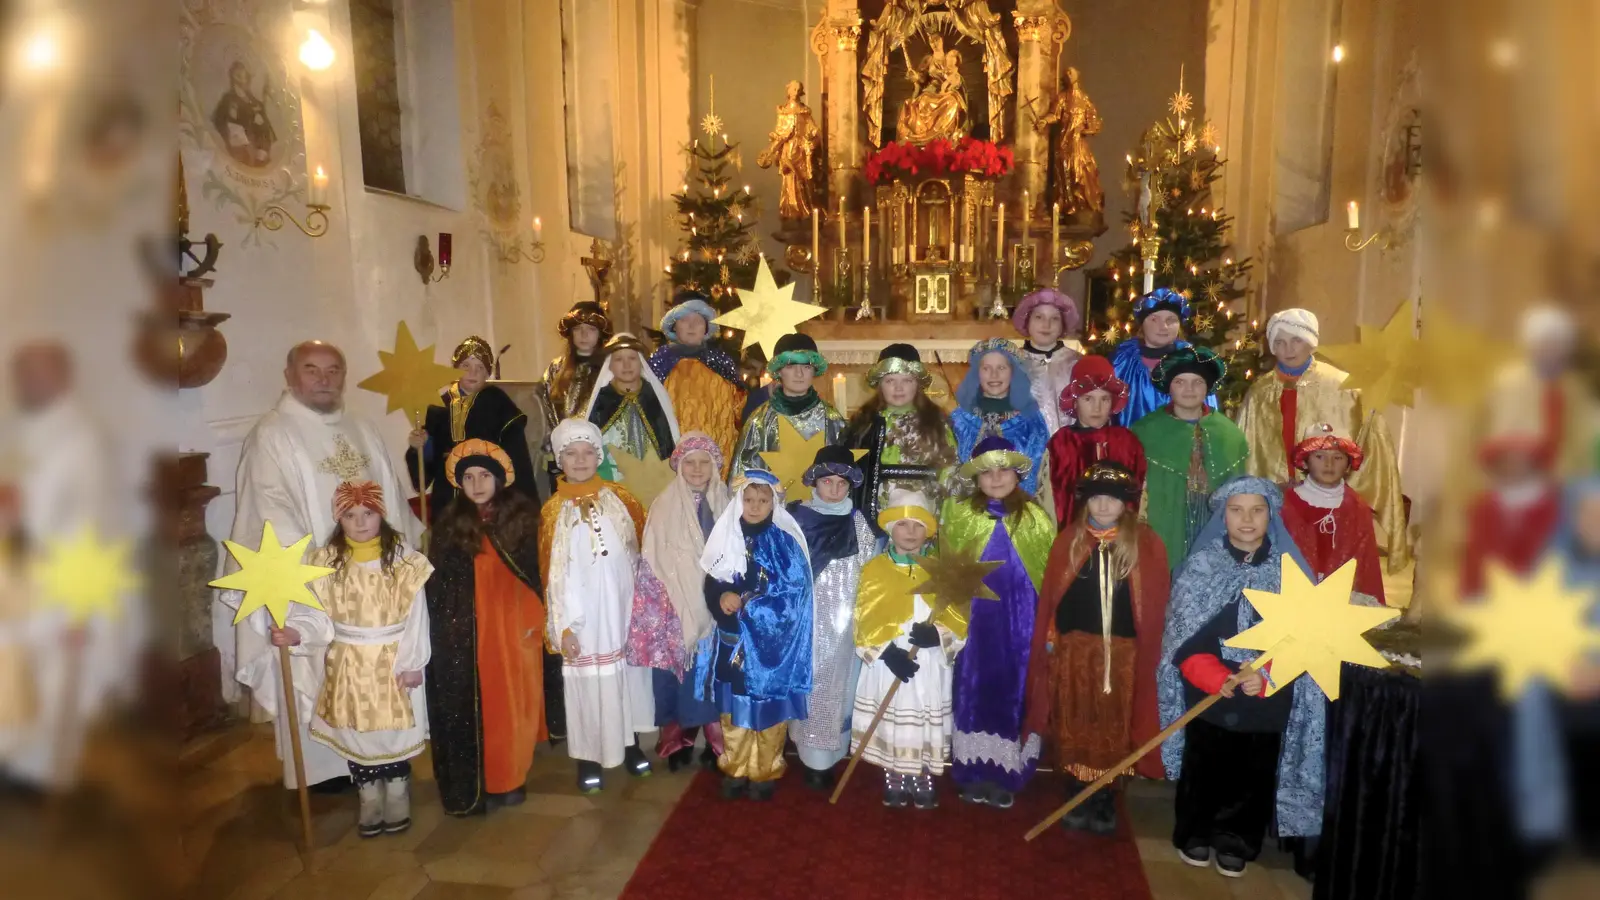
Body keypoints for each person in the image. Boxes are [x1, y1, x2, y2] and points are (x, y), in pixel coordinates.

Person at [219, 340, 421, 791]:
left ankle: (384, 759)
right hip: (321, 583)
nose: (324, 379)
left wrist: (396, 563)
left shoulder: (363, 427)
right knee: (320, 671)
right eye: (312, 370)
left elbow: (391, 500)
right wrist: (321, 573)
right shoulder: (273, 434)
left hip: (377, 584)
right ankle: (326, 771)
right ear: (290, 377)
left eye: (333, 370)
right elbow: (269, 510)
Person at [1158, 477, 1325, 879]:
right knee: (1204, 768)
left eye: (1257, 510)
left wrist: (1267, 676)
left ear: (1271, 515)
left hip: (1267, 695)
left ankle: (1236, 839)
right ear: (1223, 515)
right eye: (1236, 510)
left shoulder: (1291, 574)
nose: (1247, 519)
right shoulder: (1203, 567)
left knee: (1253, 773)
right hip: (1210, 690)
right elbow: (1181, 635)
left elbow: (1308, 639)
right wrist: (1213, 674)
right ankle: (1195, 831)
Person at [2, 341, 134, 793]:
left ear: (63, 377)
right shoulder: (19, 431)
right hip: (13, 583)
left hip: (60, 588)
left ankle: (40, 779)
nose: (29, 382)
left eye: (39, 373)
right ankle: (13, 761)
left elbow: (95, 524)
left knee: (55, 683)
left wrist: (83, 604)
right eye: (22, 374)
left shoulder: (83, 439)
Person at [273, 482, 432, 835]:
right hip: (347, 661)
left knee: (392, 731)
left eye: (368, 514)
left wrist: (412, 662)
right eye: (350, 515)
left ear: (382, 515)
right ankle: (368, 795)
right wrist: (298, 632)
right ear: (338, 519)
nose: (360, 523)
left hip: (392, 660)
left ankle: (396, 790)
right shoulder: (326, 563)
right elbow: (316, 614)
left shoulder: (405, 562)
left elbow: (418, 617)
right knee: (355, 729)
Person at [1023, 462, 1170, 835]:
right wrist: (1051, 639)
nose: (1104, 505)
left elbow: (1153, 606)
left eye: (1113, 499)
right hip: (1074, 651)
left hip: (1123, 654)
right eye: (1096, 498)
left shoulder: (1146, 544)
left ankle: (1105, 794)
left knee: (1114, 721)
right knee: (1075, 716)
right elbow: (1052, 602)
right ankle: (1076, 788)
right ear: (1084, 502)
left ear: (1128, 504)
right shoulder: (1069, 540)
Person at [1235, 308, 1411, 573]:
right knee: (1285, 567)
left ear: (1311, 342)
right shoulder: (1259, 392)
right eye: (1280, 342)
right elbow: (1246, 447)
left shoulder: (1341, 386)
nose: (1288, 349)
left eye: (1296, 340)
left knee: (1328, 565)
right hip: (1278, 498)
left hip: (1328, 496)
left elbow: (1370, 439)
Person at [423, 441, 545, 815]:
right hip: (466, 633)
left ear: (499, 479)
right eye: (469, 477)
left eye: (484, 475)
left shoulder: (522, 521)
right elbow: (438, 585)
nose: (477, 484)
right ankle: (482, 778)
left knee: (512, 704)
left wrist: (532, 622)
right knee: (479, 707)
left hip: (513, 627)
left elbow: (537, 575)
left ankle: (510, 776)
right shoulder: (449, 525)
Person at [940, 436, 1055, 808]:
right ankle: (971, 769)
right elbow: (949, 566)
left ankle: (1007, 772)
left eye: (1003, 469)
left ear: (1018, 474)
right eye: (987, 471)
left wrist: (1048, 624)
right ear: (976, 478)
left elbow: (1048, 573)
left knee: (1014, 686)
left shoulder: (1035, 516)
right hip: (975, 619)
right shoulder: (960, 514)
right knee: (972, 685)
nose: (996, 477)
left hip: (1021, 619)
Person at [539, 419, 652, 793]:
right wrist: (564, 626)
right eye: (571, 453)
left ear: (598, 456)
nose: (581, 459)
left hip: (622, 609)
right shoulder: (554, 511)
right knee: (587, 685)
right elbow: (551, 572)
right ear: (560, 460)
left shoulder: (621, 499)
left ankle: (630, 743)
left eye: (588, 452)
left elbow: (640, 551)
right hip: (582, 615)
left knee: (626, 680)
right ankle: (589, 756)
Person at [695, 469, 813, 801]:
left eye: (763, 501)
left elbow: (794, 595)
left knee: (768, 713)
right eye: (748, 499)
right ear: (739, 501)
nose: (755, 506)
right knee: (733, 711)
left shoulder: (785, 543)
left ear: (774, 503)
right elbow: (713, 579)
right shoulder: (726, 538)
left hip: (770, 648)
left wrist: (749, 604)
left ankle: (764, 770)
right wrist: (721, 598)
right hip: (733, 641)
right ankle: (735, 767)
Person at [852, 491, 966, 809]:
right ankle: (894, 772)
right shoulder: (875, 570)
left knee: (924, 715)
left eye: (917, 524)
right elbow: (863, 618)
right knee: (891, 716)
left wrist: (939, 636)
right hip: (890, 661)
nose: (911, 532)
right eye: (903, 524)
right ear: (891, 529)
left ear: (927, 530)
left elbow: (959, 617)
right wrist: (888, 654)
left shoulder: (942, 570)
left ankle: (922, 773)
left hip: (928, 662)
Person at [625, 432, 730, 772]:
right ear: (679, 466)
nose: (698, 469)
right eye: (690, 463)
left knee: (711, 674)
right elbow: (653, 555)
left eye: (705, 462)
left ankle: (716, 742)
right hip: (675, 603)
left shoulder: (727, 504)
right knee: (680, 674)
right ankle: (678, 740)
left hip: (717, 605)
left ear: (715, 467)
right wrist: (661, 603)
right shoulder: (664, 503)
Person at [788, 446, 877, 789]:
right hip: (807, 619)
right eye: (828, 481)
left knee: (838, 688)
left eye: (842, 483)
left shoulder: (859, 523)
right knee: (811, 684)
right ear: (815, 482)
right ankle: (810, 758)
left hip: (845, 622)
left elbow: (870, 566)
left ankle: (832, 754)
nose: (835, 489)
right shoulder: (796, 518)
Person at [1131, 346, 1248, 569]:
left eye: (1197, 382)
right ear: (1169, 387)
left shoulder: (1230, 434)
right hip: (1163, 529)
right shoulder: (1145, 431)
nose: (1189, 389)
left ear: (1208, 388)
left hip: (1213, 530)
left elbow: (1239, 492)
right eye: (1180, 382)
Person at [405, 336, 537, 521]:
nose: (472, 373)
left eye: (480, 368)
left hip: (486, 491)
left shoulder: (499, 404)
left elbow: (516, 454)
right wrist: (421, 446)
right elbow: (430, 458)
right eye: (466, 366)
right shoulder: (438, 406)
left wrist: (519, 500)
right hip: (447, 494)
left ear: (487, 374)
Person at [844, 343, 957, 531]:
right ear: (880, 385)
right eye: (890, 381)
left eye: (906, 381)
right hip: (875, 512)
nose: (898, 388)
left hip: (921, 513)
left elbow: (949, 470)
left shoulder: (936, 423)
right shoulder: (864, 423)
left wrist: (945, 515)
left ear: (918, 384)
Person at [1280, 422, 1386, 604]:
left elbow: (1364, 562)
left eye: (1337, 458)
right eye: (1319, 456)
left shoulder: (1357, 509)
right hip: (1293, 592)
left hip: (1342, 595)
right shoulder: (1285, 503)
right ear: (1305, 461)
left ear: (1348, 465)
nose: (1328, 464)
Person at [648, 293, 745, 476]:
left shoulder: (721, 363)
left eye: (698, 321)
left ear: (706, 328)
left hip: (716, 448)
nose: (692, 326)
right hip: (672, 453)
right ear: (674, 326)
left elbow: (738, 409)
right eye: (685, 320)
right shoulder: (659, 363)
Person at [1047, 355, 1147, 527]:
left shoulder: (1127, 442)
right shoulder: (1061, 443)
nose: (1097, 407)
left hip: (1121, 539)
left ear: (1113, 403)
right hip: (1073, 538)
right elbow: (1048, 498)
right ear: (1075, 403)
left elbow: (1141, 492)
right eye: (1088, 399)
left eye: (1105, 399)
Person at [729, 333, 844, 480]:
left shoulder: (832, 419)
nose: (799, 374)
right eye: (790, 366)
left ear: (814, 370)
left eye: (806, 367)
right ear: (779, 371)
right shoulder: (760, 420)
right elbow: (743, 476)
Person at [950, 338, 1051, 505]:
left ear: (1013, 372)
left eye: (1001, 368)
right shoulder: (960, 420)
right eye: (986, 368)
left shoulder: (1029, 420)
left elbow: (1038, 470)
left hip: (1018, 508)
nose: (994, 375)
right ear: (977, 373)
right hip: (970, 510)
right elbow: (952, 470)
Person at [584, 332, 680, 483]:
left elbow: (667, 442)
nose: (626, 365)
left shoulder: (654, 397)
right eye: (619, 359)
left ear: (641, 362)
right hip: (613, 481)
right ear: (610, 365)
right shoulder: (602, 401)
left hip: (654, 480)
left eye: (632, 358)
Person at [538, 301, 614, 486]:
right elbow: (547, 412)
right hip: (565, 456)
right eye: (578, 329)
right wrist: (555, 448)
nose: (584, 334)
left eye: (591, 329)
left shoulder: (611, 368)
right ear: (570, 334)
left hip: (602, 455)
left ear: (600, 334)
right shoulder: (556, 369)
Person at [1109, 289, 1211, 427]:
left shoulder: (1195, 362)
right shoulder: (1122, 361)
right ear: (1142, 324)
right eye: (1154, 319)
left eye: (1171, 320)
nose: (1163, 327)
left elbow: (1208, 416)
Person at [1011, 288, 1083, 435]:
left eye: (1055, 318)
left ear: (1063, 324)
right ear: (1027, 321)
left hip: (1070, 445)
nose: (1046, 325)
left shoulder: (1077, 363)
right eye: (1039, 317)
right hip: (1026, 446)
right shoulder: (1013, 363)